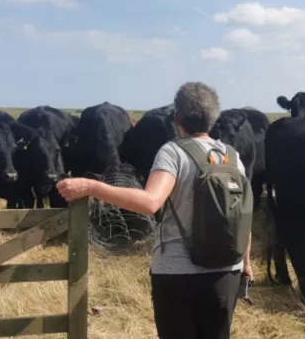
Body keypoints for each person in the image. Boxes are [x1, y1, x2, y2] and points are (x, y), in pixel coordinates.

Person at [56, 81, 253, 339]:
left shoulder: (173, 152)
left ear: (177, 118)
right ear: (213, 119)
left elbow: (150, 202)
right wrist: (246, 263)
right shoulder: (231, 156)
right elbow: (242, 214)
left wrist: (92, 186)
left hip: (178, 272)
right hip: (227, 269)